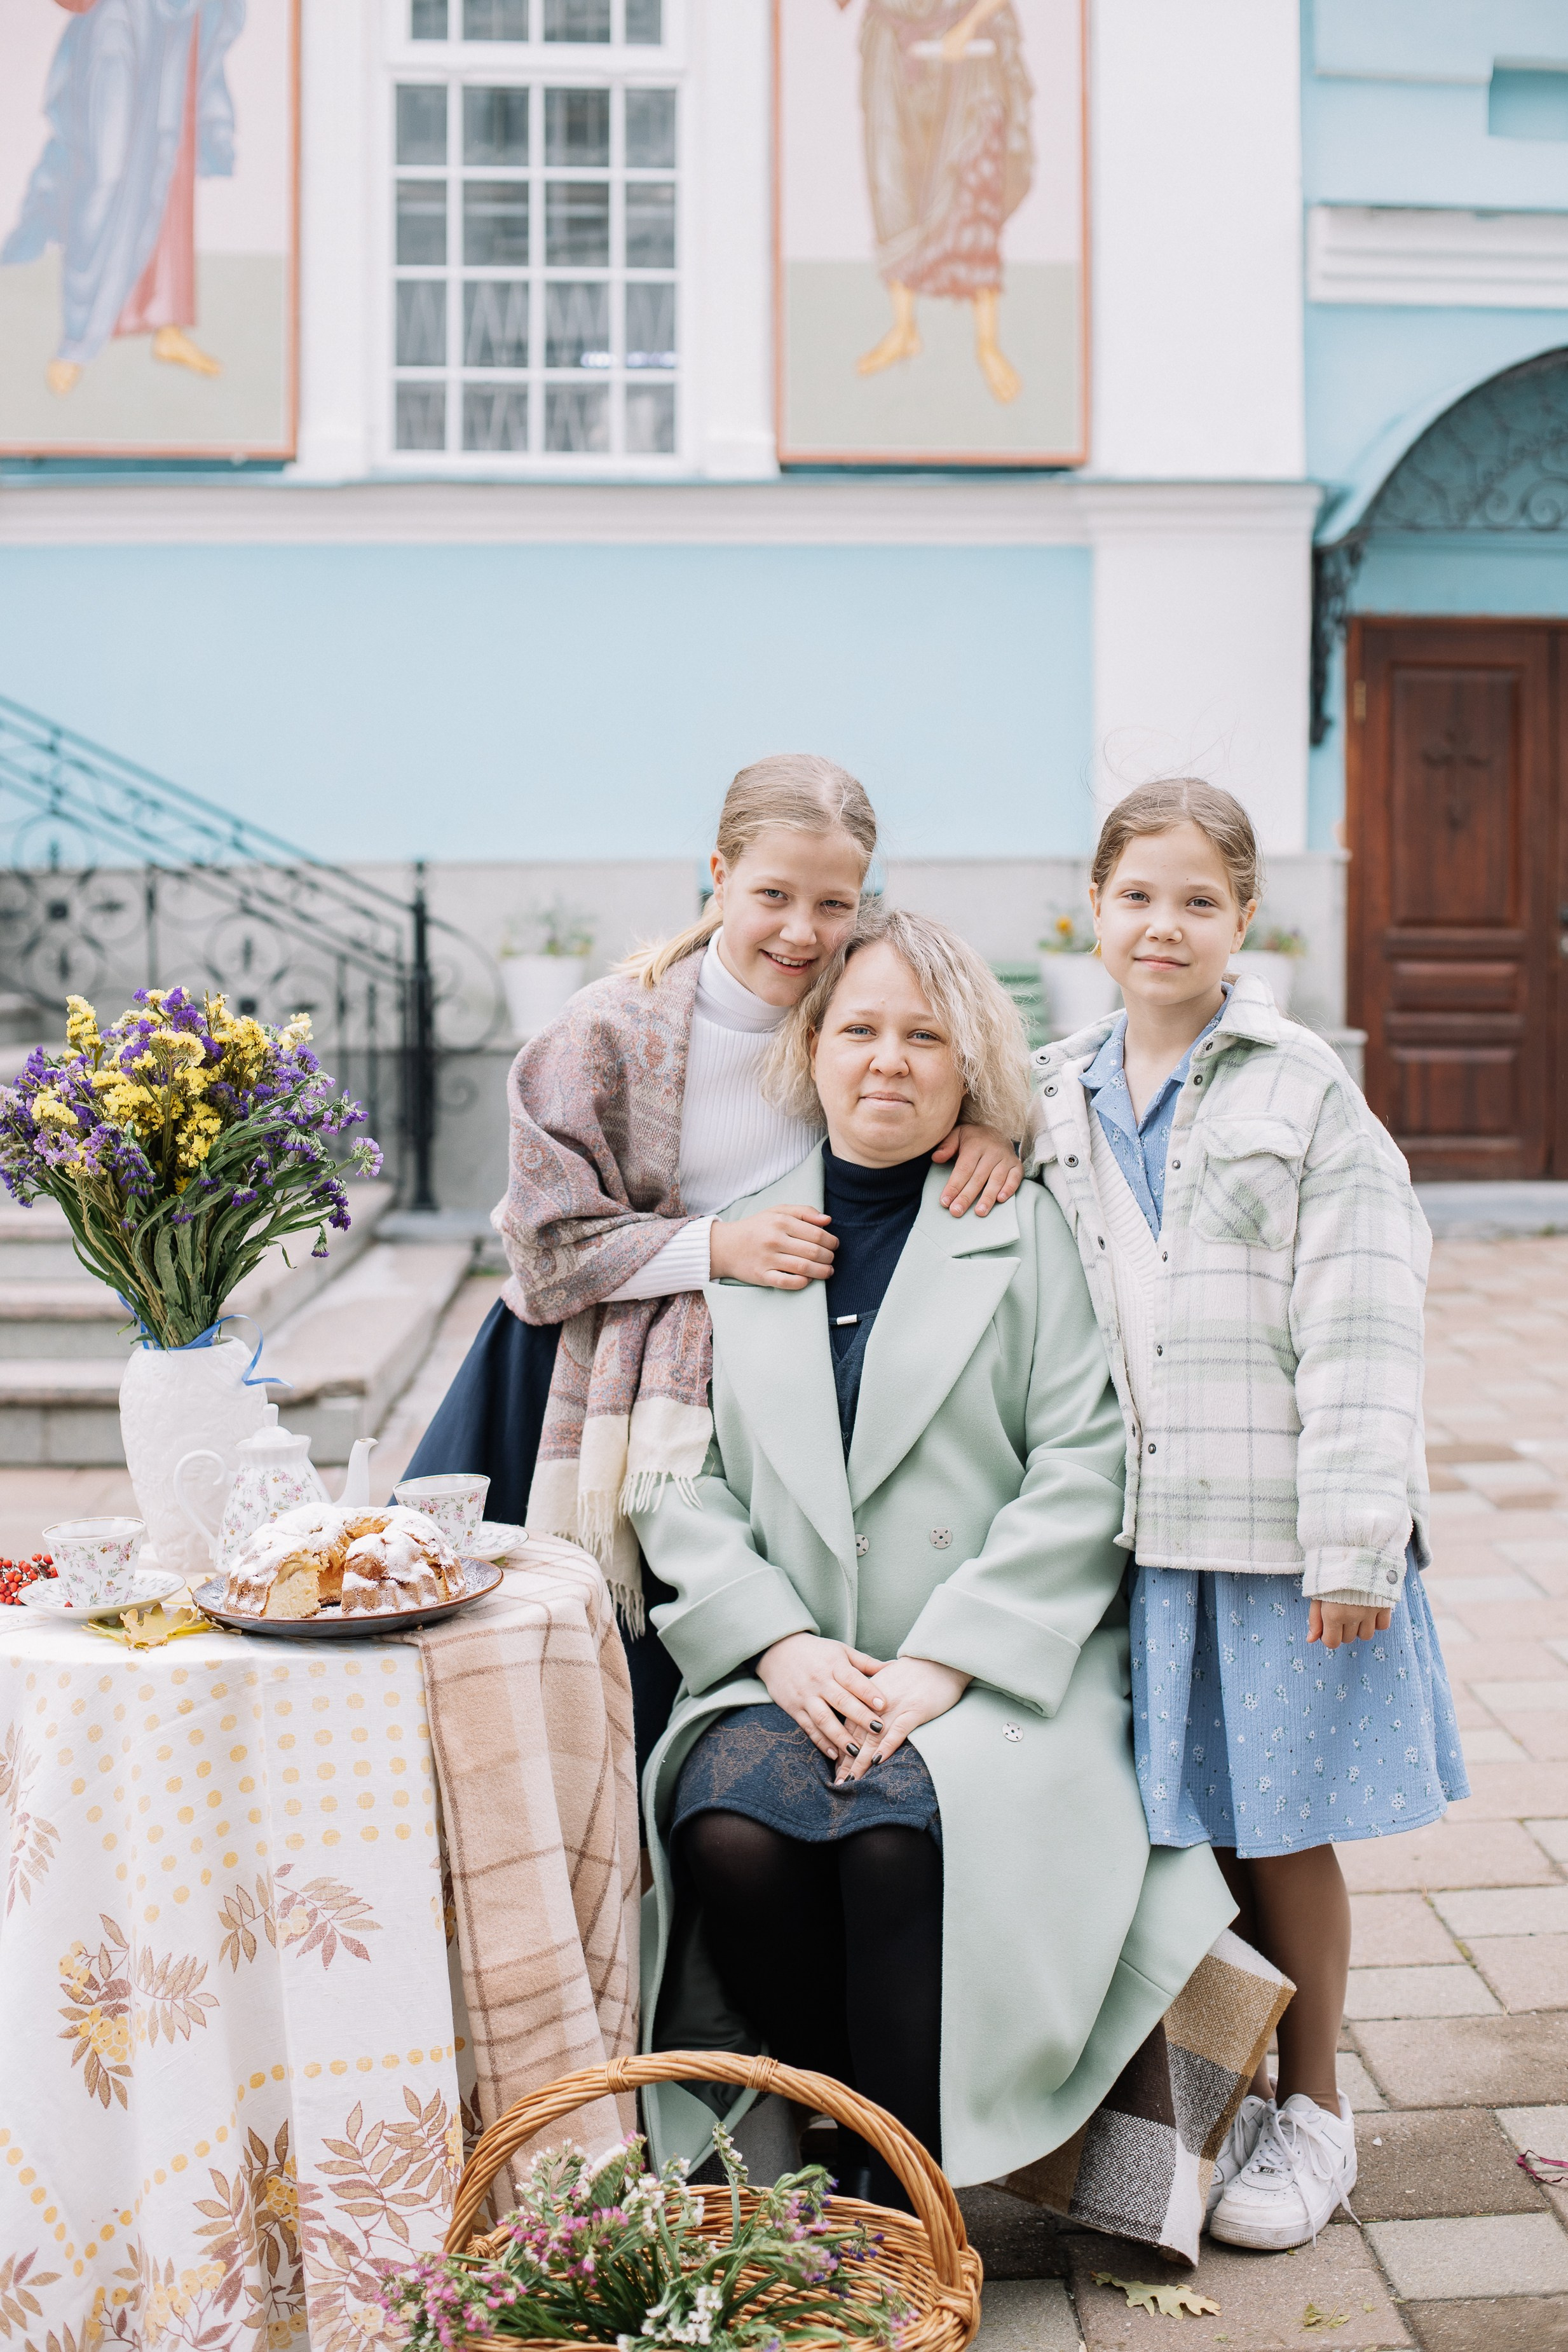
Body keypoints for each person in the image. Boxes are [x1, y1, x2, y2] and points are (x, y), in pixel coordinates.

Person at [632, 905, 1233, 2212]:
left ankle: (910, 2201)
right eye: (859, 1029)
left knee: (897, 1840)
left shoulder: (1027, 1229)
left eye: (925, 1036)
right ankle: (845, 2128)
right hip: (795, 1659)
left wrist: (949, 1660)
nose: (888, 1060)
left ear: (970, 1067)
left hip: (1000, 1671)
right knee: (728, 1831)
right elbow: (675, 1476)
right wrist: (775, 1642)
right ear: (809, 1048)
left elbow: (1084, 1465)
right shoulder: (740, 1238)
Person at [1032, 779, 1468, 2252]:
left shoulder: (1301, 1088)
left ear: (1243, 920)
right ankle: (1202, 2114)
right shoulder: (1047, 1091)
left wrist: (1353, 1536)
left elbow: (1363, 1319)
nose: (1163, 925)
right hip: (1135, 1536)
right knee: (1182, 1838)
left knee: (1278, 1823)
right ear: (1092, 909)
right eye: (1136, 896)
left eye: (1198, 901)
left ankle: (1318, 2108)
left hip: (1277, 1537)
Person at [403, 755, 1021, 1775]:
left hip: (754, 1388)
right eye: (772, 895)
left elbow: (963, 1059)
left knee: (697, 1686)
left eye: (833, 904)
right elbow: (543, 1248)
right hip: (578, 1386)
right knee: (544, 1693)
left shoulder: (851, 1021)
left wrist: (992, 1125)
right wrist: (714, 1249)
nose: (801, 931)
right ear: (719, 875)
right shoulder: (605, 1031)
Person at [4, 0, 241, 394]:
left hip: (174, 22)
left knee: (167, 164)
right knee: (105, 172)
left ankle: (165, 320)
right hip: (115, 22)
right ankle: (77, 336)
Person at [836, 0, 1033, 402]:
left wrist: (969, 25)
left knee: (972, 185)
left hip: (965, 37)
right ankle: (904, 329)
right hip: (892, 40)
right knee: (890, 180)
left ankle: (987, 343)